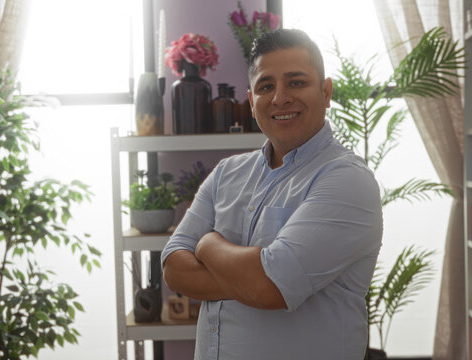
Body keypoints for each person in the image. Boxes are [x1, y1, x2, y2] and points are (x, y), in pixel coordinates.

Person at [161, 29, 383, 359]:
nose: (280, 97)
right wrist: (253, 278)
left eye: (296, 82)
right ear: (252, 102)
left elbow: (270, 287)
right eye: (266, 86)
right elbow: (174, 269)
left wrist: (208, 244)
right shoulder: (227, 173)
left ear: (326, 92)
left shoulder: (347, 179)